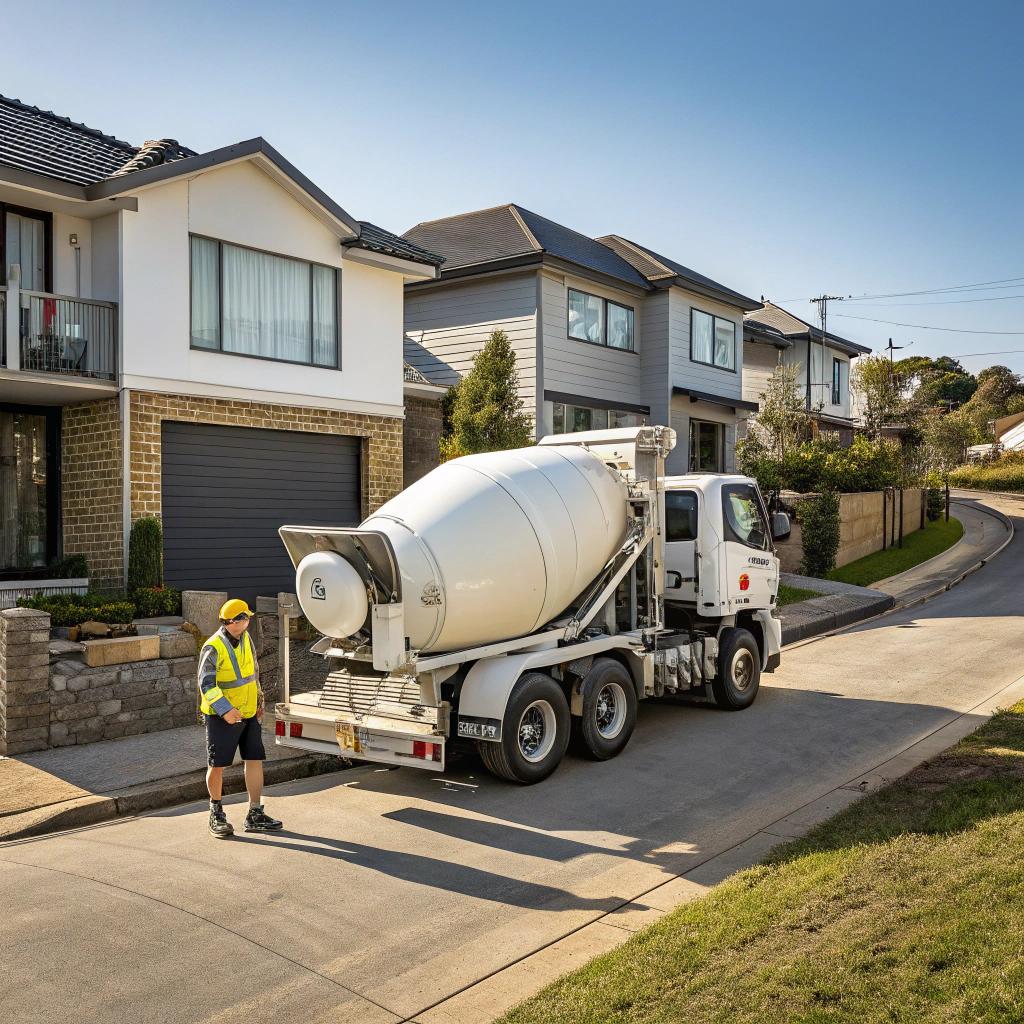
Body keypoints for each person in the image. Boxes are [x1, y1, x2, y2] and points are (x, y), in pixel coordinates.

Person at [198, 599, 283, 839]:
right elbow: (206, 685)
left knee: (254, 759)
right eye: (245, 618)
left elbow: (252, 673)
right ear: (234, 621)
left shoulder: (246, 638)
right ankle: (216, 813)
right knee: (218, 765)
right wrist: (225, 710)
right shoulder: (213, 646)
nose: (248, 621)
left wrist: (259, 702)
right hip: (221, 716)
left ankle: (255, 813)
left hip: (248, 712)